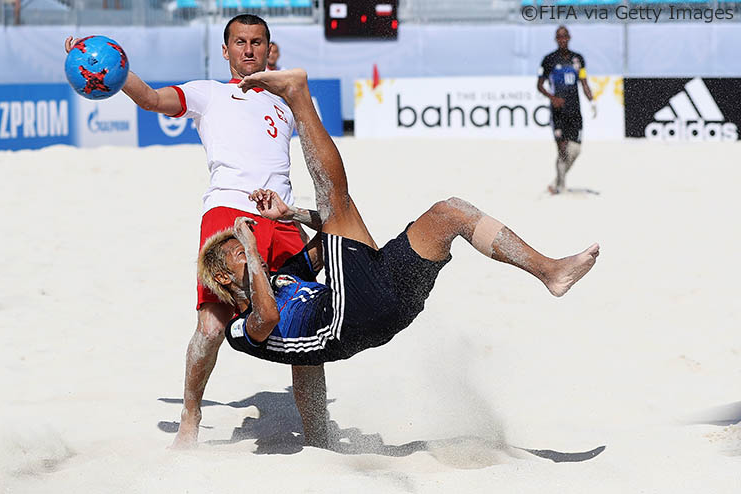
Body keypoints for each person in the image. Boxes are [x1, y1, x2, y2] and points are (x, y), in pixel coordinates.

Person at [197, 68, 600, 368]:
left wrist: (291, 213)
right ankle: (298, 96)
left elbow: (328, 234)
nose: (253, 255)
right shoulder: (240, 328)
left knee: (450, 212)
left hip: (393, 306)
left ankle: (548, 271)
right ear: (223, 278)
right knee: (339, 202)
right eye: (237, 254)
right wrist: (249, 247)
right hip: (346, 319)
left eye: (245, 250)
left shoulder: (283, 274)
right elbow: (267, 316)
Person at [64, 15, 329, 449]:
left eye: (257, 43)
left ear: (269, 49)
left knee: (303, 330)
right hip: (227, 214)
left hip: (281, 221)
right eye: (239, 43)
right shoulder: (209, 93)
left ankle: (319, 429)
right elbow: (150, 99)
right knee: (211, 327)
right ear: (225, 51)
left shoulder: (287, 103)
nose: (248, 50)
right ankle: (190, 414)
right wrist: (112, 69)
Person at [537, 26, 595, 195]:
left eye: (565, 36)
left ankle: (556, 182)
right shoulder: (549, 60)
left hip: (575, 110)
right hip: (558, 112)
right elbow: (539, 85)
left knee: (575, 150)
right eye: (559, 37)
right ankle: (561, 187)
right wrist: (552, 98)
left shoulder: (578, 59)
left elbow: (583, 82)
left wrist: (592, 101)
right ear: (556, 39)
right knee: (562, 149)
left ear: (569, 38)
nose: (562, 39)